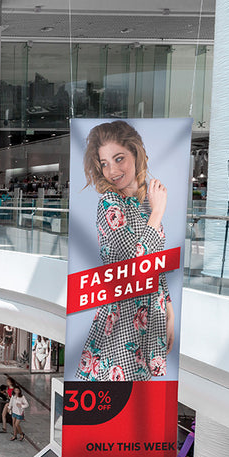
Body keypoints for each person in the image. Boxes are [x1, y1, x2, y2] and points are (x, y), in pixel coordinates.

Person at [76, 120, 174, 382]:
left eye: (119, 159)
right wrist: (158, 213)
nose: (113, 170)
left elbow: (155, 263)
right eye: (105, 163)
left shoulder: (145, 202)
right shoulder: (110, 203)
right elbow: (134, 266)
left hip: (151, 314)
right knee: (115, 403)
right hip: (123, 318)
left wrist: (169, 309)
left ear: (136, 154)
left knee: (140, 406)